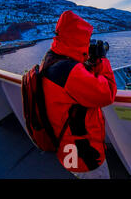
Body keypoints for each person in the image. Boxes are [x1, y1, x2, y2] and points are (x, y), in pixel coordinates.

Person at [41, 10, 117, 179]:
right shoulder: (70, 71)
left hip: (65, 144)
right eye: (86, 38)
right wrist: (103, 60)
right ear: (77, 38)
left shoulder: (51, 58)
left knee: (75, 173)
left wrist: (88, 61)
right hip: (84, 151)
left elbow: (78, 86)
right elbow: (108, 93)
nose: (88, 43)